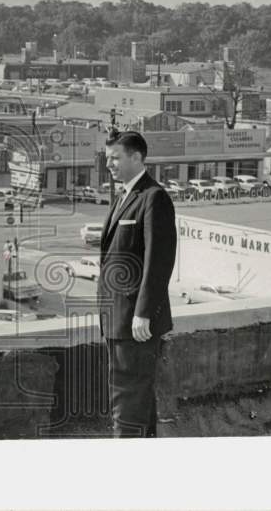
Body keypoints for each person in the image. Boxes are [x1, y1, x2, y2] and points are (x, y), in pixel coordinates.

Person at [97, 130, 178, 438]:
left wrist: (143, 312)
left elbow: (159, 260)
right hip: (117, 317)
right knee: (137, 399)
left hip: (134, 321)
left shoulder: (153, 197)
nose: (110, 165)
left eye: (116, 158)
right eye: (108, 159)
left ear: (137, 157)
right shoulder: (124, 197)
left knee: (127, 398)